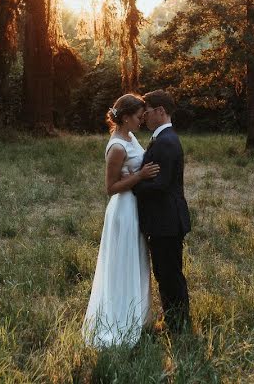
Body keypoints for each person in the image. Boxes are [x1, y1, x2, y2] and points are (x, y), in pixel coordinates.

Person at [82, 94, 160, 348]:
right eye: (139, 117)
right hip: (123, 210)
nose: (142, 120)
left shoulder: (130, 137)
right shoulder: (117, 147)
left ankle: (138, 318)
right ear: (126, 117)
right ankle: (120, 322)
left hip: (135, 207)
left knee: (137, 260)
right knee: (124, 263)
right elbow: (111, 187)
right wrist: (140, 176)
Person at [133, 89, 191, 334]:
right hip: (165, 219)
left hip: (166, 220)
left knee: (169, 275)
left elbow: (160, 184)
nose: (144, 117)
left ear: (160, 111)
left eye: (146, 112)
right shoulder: (163, 138)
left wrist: (132, 183)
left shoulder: (166, 142)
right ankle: (175, 320)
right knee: (166, 272)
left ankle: (177, 325)